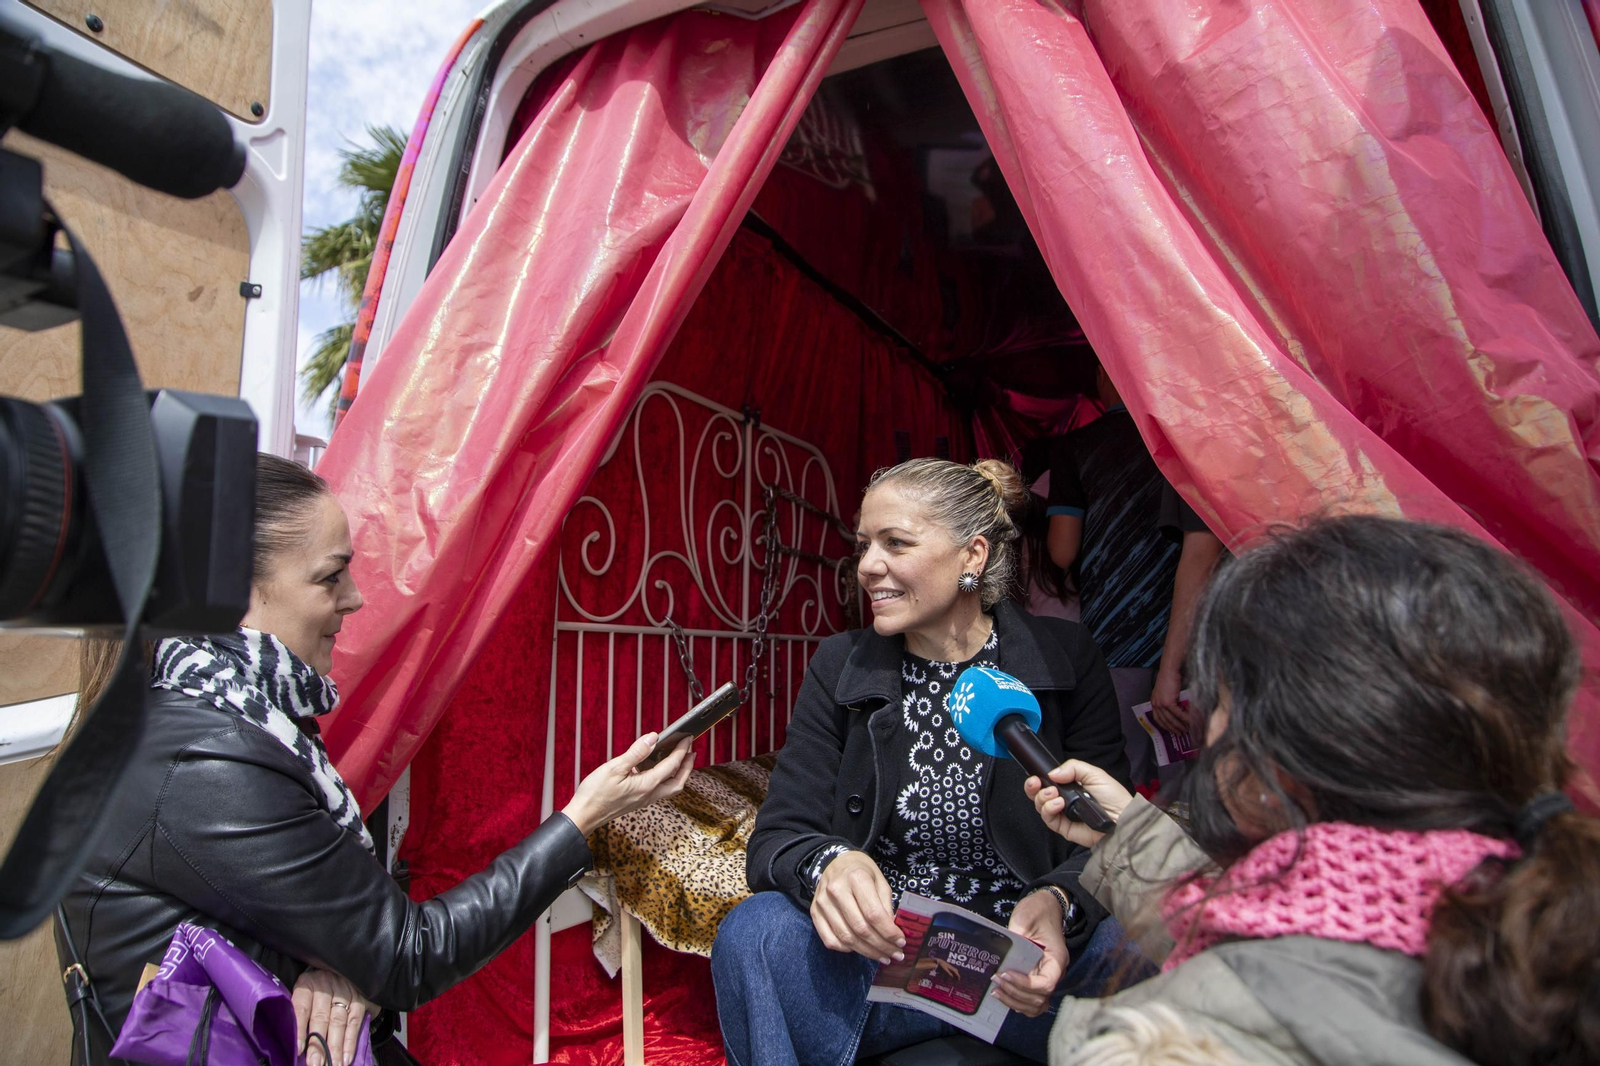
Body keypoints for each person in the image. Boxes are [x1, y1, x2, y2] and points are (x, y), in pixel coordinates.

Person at [55, 454, 696, 1066]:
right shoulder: (210, 759)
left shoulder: (221, 716)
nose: (356, 599)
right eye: (330, 577)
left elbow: (337, 924)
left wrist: (346, 969)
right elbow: (409, 954)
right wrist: (583, 817)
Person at [1026, 515, 1599, 1066]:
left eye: (1219, 698)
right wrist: (1125, 833)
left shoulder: (1191, 1041)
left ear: (1277, 751)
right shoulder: (1529, 909)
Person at [711, 457, 1133, 1066]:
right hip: (883, 962)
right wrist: (830, 865)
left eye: (896, 543)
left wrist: (1057, 904)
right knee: (756, 930)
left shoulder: (1064, 657)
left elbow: (1107, 842)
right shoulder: (839, 664)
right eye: (864, 545)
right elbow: (779, 837)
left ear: (972, 555)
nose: (867, 566)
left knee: (1135, 937)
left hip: (1021, 965)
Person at [1046, 364, 1223, 788]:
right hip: (1198, 628)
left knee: (1122, 770)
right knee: (1191, 772)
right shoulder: (1189, 442)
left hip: (1115, 627)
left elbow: (1062, 551)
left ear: (1101, 377)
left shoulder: (1076, 447)